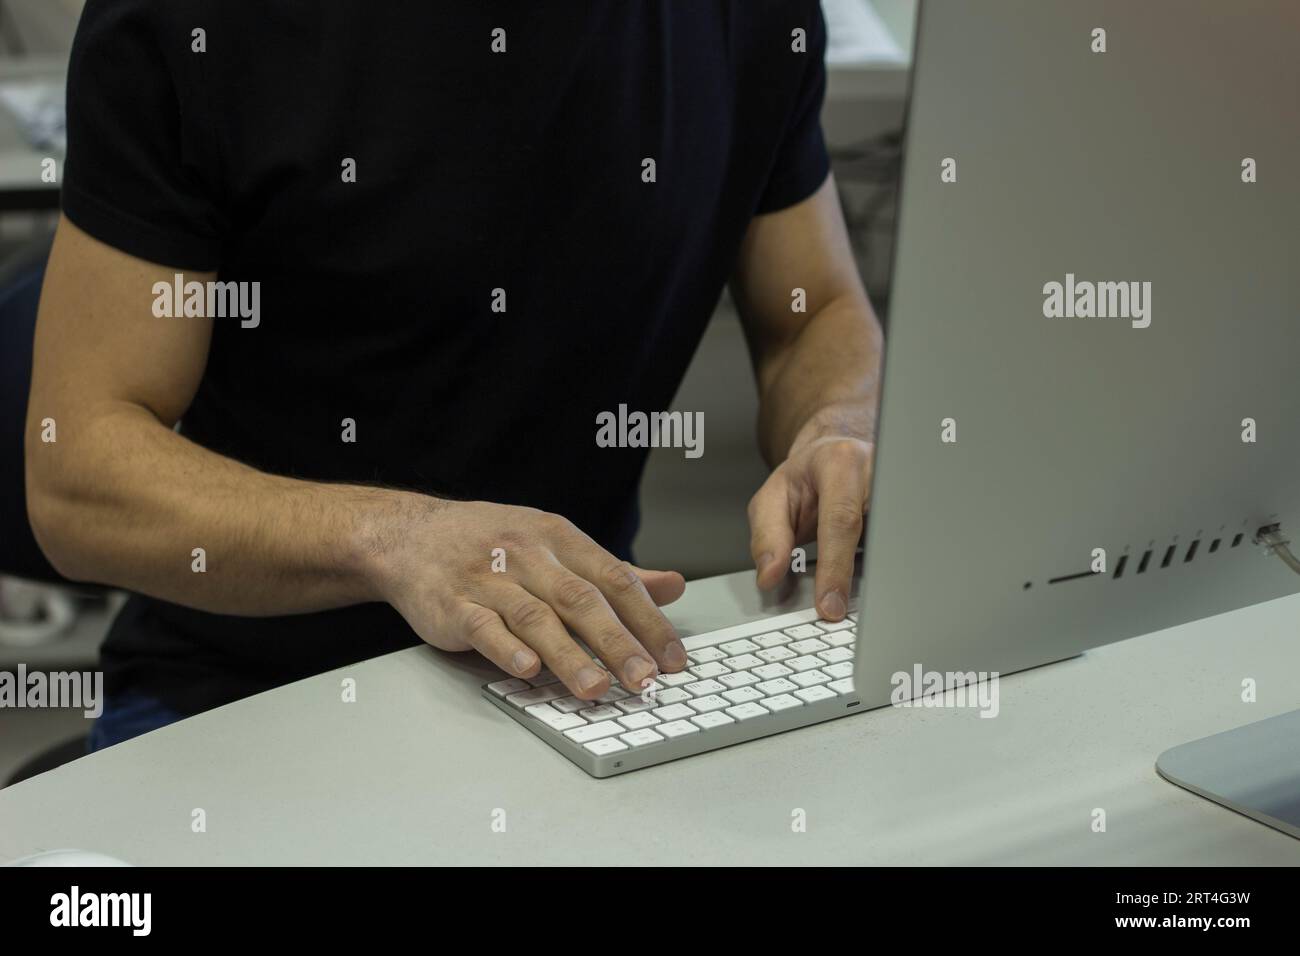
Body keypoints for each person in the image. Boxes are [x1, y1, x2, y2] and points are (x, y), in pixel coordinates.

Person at [24, 1, 883, 749]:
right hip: (240, 690)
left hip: (580, 667)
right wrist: (397, 540)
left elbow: (814, 317)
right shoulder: (201, 23)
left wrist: (840, 421)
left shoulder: (749, 17)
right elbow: (78, 474)